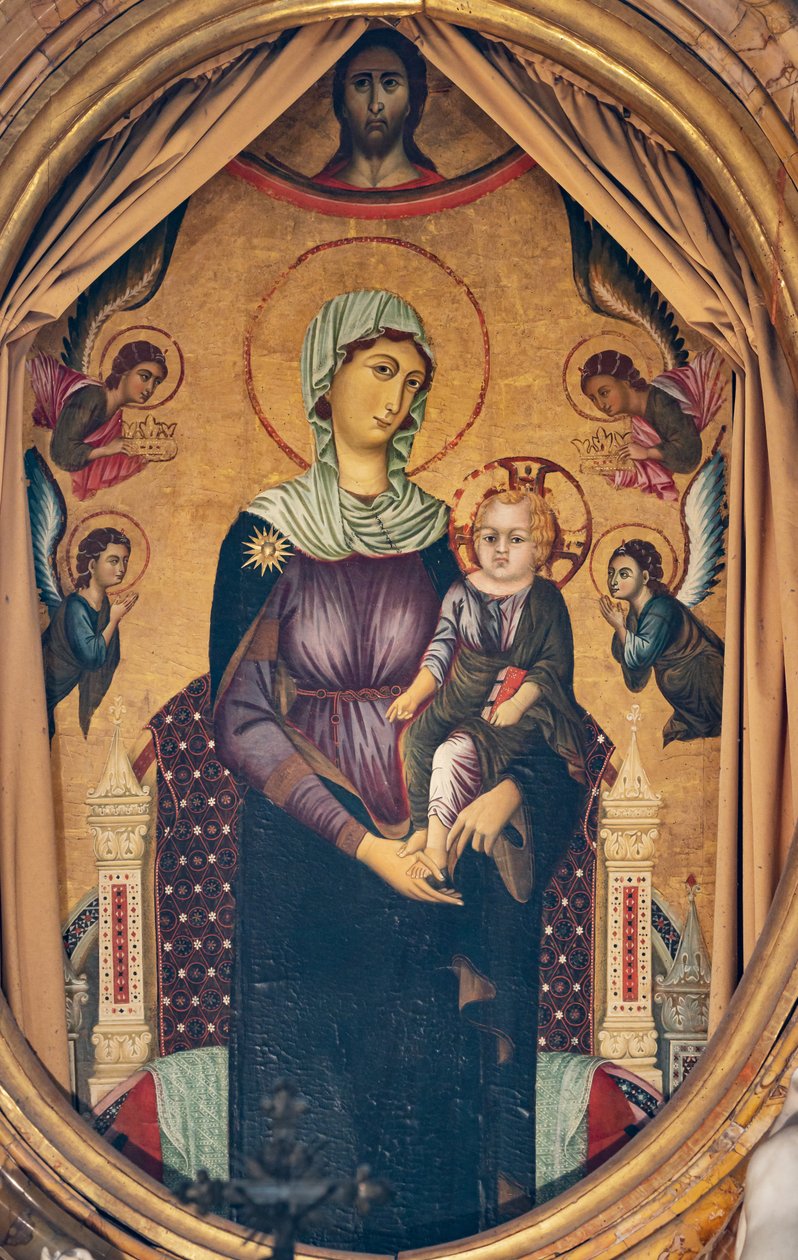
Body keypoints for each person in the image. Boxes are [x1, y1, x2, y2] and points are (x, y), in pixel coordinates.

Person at [209, 290, 593, 1252]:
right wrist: (359, 842)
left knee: (431, 1117)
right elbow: (244, 718)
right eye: (380, 370)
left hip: (433, 850)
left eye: (414, 382)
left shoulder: (441, 541)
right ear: (324, 374)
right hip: (308, 859)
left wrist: (506, 788)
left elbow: (515, 684)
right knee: (313, 1133)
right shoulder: (266, 535)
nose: (397, 398)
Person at [388, 490, 589, 893]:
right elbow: (441, 649)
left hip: (517, 709)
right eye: (490, 537)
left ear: (539, 547)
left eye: (516, 539)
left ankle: (438, 854)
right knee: (416, 740)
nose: (500, 549)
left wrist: (519, 702)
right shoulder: (461, 591)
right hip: (460, 694)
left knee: (451, 754)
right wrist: (415, 694)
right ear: (474, 541)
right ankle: (423, 827)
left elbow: (552, 665)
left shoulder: (546, 599)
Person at [599, 538, 724, 744]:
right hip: (684, 694)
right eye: (611, 573)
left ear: (645, 577)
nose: (613, 581)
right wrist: (622, 629)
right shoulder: (633, 616)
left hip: (704, 683)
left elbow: (639, 658)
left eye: (623, 574)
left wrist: (620, 628)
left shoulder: (663, 608)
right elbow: (637, 681)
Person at [29, 340, 167, 500]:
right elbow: (61, 453)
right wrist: (106, 450)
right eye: (144, 377)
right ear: (125, 370)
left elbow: (106, 465)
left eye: (157, 382)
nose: (150, 388)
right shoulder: (93, 396)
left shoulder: (114, 416)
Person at [581, 348, 723, 501]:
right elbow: (653, 469)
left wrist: (647, 452)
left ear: (626, 382)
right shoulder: (639, 424)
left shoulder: (660, 401)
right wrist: (617, 472)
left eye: (604, 393)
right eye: (593, 399)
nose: (600, 404)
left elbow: (689, 456)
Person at [313, 29, 444, 190]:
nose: (375, 105)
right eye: (361, 83)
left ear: (409, 103)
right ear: (343, 105)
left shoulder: (441, 193)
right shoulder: (313, 192)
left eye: (390, 83)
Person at [43, 527, 138, 738]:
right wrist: (114, 619)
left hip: (63, 692)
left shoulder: (103, 605)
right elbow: (93, 658)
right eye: (113, 561)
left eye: (125, 561)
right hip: (46, 690)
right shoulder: (76, 607)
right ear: (92, 565)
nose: (122, 568)